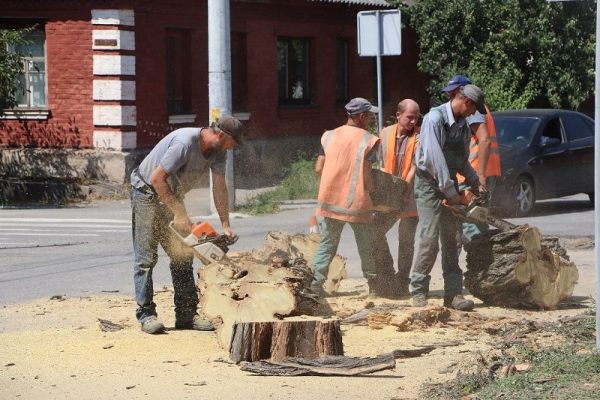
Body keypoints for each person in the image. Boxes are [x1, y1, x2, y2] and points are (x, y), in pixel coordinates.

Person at [130, 116, 243, 334]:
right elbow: (157, 179)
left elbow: (220, 188)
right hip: (146, 193)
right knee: (146, 258)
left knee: (182, 255)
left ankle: (186, 314)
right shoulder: (184, 143)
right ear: (222, 135)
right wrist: (180, 213)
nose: (232, 148)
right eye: (232, 142)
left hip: (172, 195)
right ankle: (146, 315)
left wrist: (226, 225)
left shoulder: (218, 153)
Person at [410, 85, 486, 311]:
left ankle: (453, 294)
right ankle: (419, 291)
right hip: (429, 184)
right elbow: (435, 162)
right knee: (429, 237)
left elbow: (462, 160)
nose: (474, 114)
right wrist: (453, 196)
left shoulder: (462, 126)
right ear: (467, 102)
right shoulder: (434, 119)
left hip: (449, 181)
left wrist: (475, 183)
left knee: (452, 239)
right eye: (474, 109)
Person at [311, 97, 380, 296]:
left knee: (327, 245)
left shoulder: (329, 136)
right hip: (357, 203)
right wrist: (373, 193)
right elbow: (367, 174)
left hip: (330, 202)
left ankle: (315, 285)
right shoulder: (368, 139)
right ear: (361, 116)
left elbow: (319, 168)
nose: (371, 120)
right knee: (366, 245)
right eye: (369, 116)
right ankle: (373, 285)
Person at [442, 75, 502, 243]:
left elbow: (484, 139)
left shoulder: (470, 109)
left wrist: (480, 176)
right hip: (484, 171)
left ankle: (479, 261)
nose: (450, 97)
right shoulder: (478, 108)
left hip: (474, 173)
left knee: (470, 223)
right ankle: (483, 262)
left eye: (453, 92)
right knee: (478, 220)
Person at [371, 99, 420, 298]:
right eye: (410, 117)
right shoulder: (385, 133)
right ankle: (386, 276)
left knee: (406, 242)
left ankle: (403, 282)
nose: (413, 121)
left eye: (416, 117)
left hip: (409, 196)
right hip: (388, 195)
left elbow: (414, 169)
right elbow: (382, 163)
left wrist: (404, 191)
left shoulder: (420, 137)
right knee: (374, 233)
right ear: (398, 115)